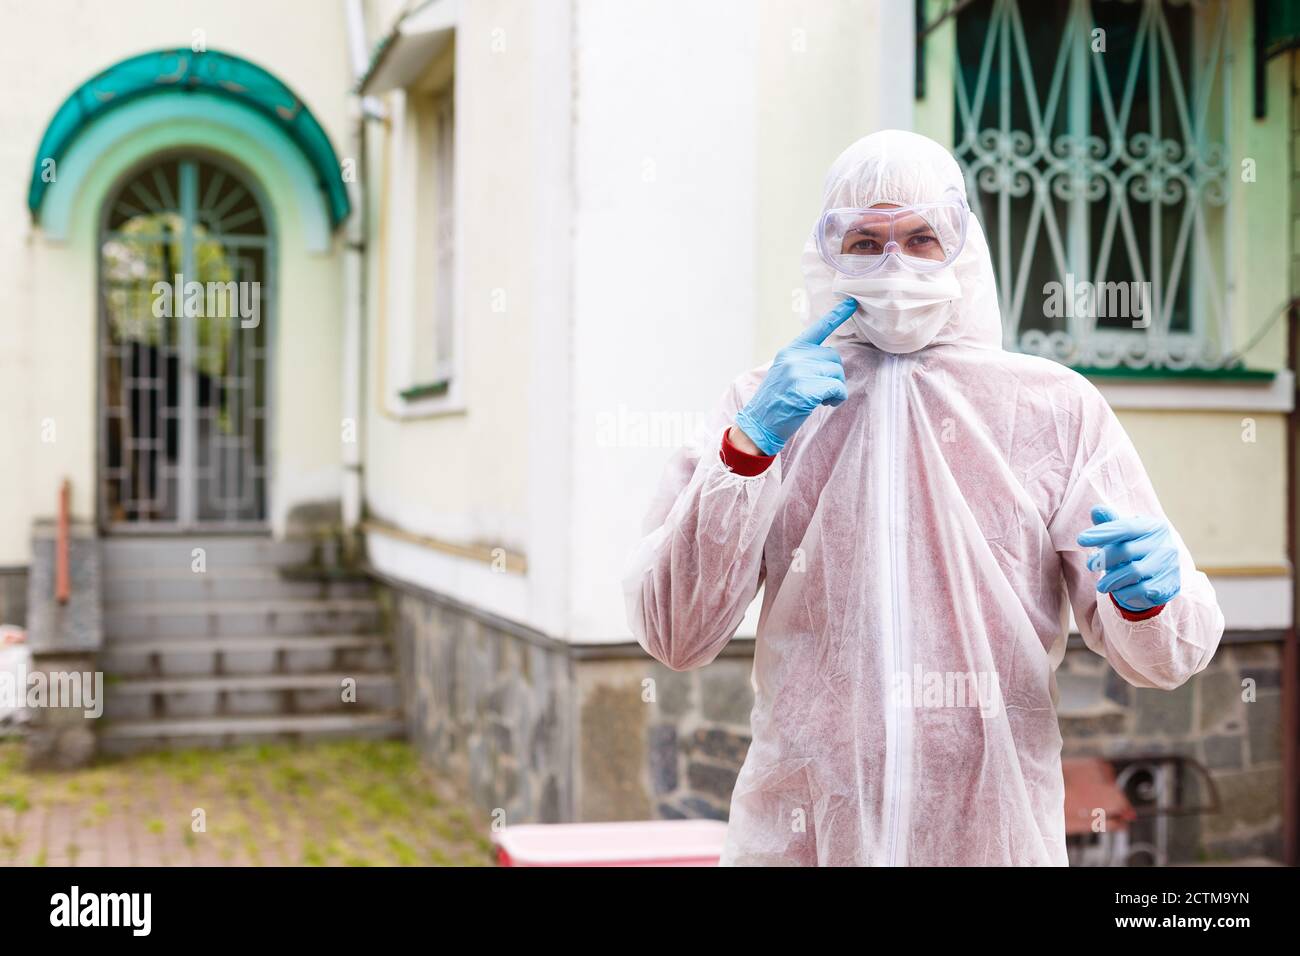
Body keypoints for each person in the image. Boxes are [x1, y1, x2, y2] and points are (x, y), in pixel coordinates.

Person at [621, 130, 1224, 866]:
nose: (894, 264)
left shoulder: (1051, 408)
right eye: (866, 241)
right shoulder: (764, 404)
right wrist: (747, 453)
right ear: (828, 253)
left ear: (961, 249)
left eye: (920, 237)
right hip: (805, 831)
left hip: (989, 832)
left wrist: (1149, 601)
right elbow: (676, 634)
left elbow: (1161, 660)